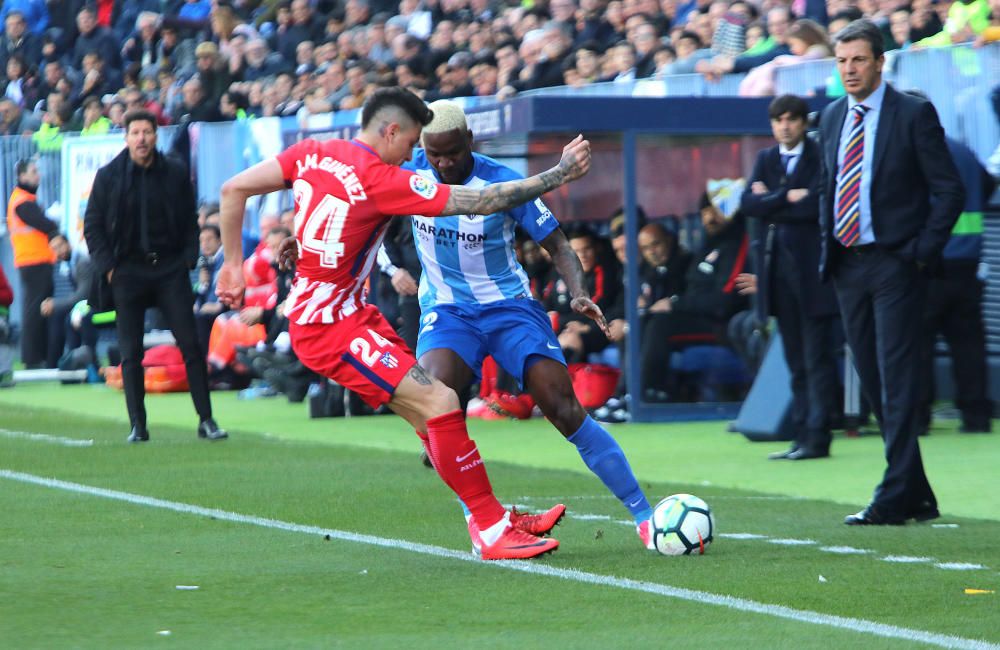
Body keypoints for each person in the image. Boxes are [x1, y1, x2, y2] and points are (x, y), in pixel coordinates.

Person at [215, 87, 591, 560]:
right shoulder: (381, 178)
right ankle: (493, 530)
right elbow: (482, 200)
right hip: (329, 326)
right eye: (412, 143)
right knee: (439, 400)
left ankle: (490, 515)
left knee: (429, 416)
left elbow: (234, 190)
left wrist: (233, 265)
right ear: (390, 131)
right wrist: (556, 174)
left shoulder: (313, 152)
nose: (414, 155)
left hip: (350, 315)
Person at [403, 100, 655, 550]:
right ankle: (485, 524)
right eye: (434, 154)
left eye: (452, 154)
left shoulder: (502, 180)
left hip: (509, 308)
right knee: (436, 404)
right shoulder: (410, 171)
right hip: (447, 312)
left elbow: (556, 244)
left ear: (469, 143)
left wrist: (578, 291)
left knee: (562, 406)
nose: (442, 164)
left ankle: (645, 516)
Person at [817, 20, 965, 525]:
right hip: (847, 265)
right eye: (842, 61)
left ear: (880, 62)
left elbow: (949, 189)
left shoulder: (913, 113)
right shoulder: (832, 115)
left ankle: (894, 494)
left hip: (895, 263)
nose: (850, 70)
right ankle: (917, 494)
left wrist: (920, 253)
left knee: (897, 378)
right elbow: (828, 188)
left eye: (858, 60)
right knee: (877, 382)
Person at [83, 109, 228, 444]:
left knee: (191, 345)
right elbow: (93, 225)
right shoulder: (109, 176)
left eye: (147, 132)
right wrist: (109, 267)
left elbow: (191, 220)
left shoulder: (174, 172)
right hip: (127, 271)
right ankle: (138, 425)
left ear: (155, 135)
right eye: (135, 133)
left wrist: (189, 260)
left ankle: (206, 420)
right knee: (130, 352)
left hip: (169, 270)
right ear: (127, 137)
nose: (142, 139)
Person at [741, 94, 840, 461]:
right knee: (796, 361)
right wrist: (788, 198)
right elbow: (748, 205)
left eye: (791, 119)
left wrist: (773, 201)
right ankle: (802, 434)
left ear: (803, 122)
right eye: (778, 119)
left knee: (817, 360)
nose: (785, 125)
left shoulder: (820, 156)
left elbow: (820, 205)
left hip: (814, 278)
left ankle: (818, 436)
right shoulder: (766, 158)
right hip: (778, 279)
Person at [918, 130, 997, 435]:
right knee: (968, 343)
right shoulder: (962, 150)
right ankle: (976, 416)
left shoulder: (916, 151)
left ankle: (918, 417)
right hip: (967, 260)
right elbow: (986, 184)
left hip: (929, 261)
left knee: (917, 344)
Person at [6, 157, 58, 369]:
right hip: (32, 261)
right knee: (35, 309)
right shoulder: (21, 201)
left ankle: (40, 357)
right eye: (34, 171)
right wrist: (55, 225)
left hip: (38, 260)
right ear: (22, 176)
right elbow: (42, 223)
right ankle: (33, 358)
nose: (38, 175)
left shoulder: (26, 199)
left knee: (39, 309)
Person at [42, 234, 94, 369]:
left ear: (69, 244)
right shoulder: (71, 262)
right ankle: (56, 364)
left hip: (98, 305)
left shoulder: (82, 262)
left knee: (66, 317)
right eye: (54, 249)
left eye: (60, 246)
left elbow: (83, 295)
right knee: (58, 315)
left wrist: (54, 304)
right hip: (86, 304)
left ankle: (69, 364)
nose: (58, 251)